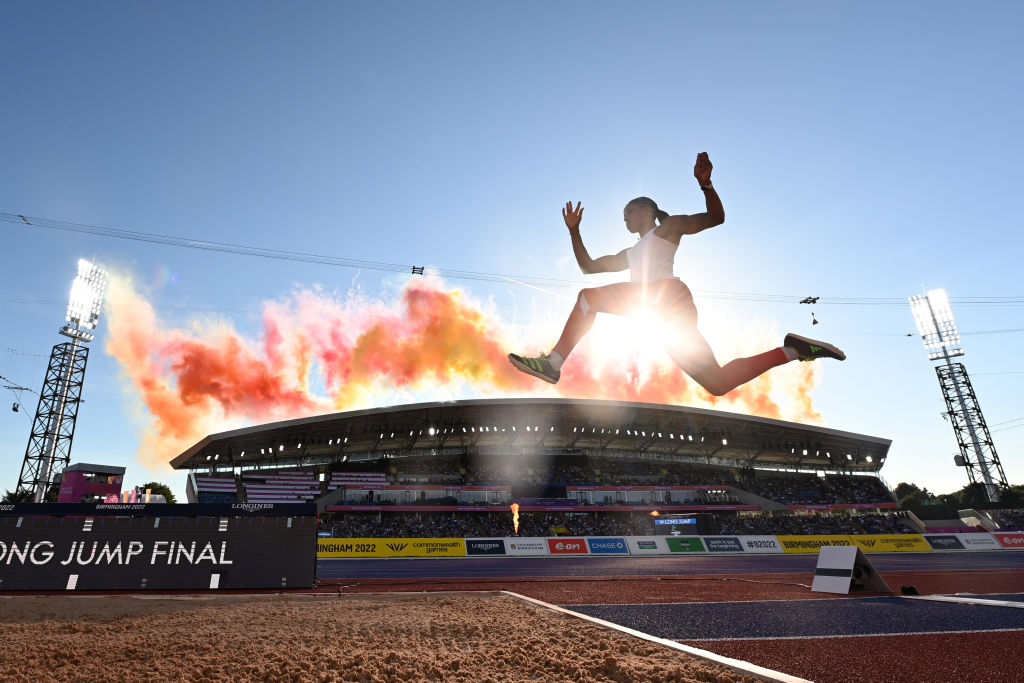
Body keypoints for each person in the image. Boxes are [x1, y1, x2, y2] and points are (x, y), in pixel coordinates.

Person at [508, 152, 845, 395]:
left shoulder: (668, 228)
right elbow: (589, 267)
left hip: (665, 296)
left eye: (629, 212)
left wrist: (706, 184)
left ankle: (553, 363)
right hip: (664, 317)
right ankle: (795, 350)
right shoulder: (631, 253)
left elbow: (715, 218)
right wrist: (574, 232)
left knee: (589, 299)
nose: (624, 218)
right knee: (718, 383)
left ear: (647, 210)